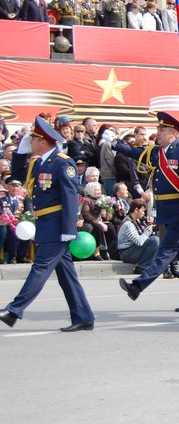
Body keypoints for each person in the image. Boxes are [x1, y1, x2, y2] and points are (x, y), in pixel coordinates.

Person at [0, 117, 95, 331]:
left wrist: (69, 230)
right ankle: (83, 316)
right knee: (66, 275)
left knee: (40, 267)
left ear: (42, 141)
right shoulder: (38, 162)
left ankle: (15, 310)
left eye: (32, 139)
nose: (30, 142)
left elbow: (70, 197)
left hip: (57, 226)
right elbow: (14, 178)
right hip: (45, 224)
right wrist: (20, 152)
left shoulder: (63, 162)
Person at [115, 112, 179, 310]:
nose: (158, 133)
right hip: (165, 211)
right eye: (158, 129)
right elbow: (137, 154)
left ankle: (138, 286)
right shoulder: (157, 152)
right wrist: (116, 144)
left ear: (173, 133)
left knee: (166, 251)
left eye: (161, 130)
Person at [117, 199, 160, 274]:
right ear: (136, 210)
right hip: (126, 253)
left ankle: (148, 266)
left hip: (132, 250)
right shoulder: (128, 224)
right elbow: (139, 242)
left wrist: (147, 226)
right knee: (154, 240)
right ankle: (142, 267)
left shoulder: (136, 221)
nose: (143, 213)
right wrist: (148, 230)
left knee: (155, 239)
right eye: (142, 211)